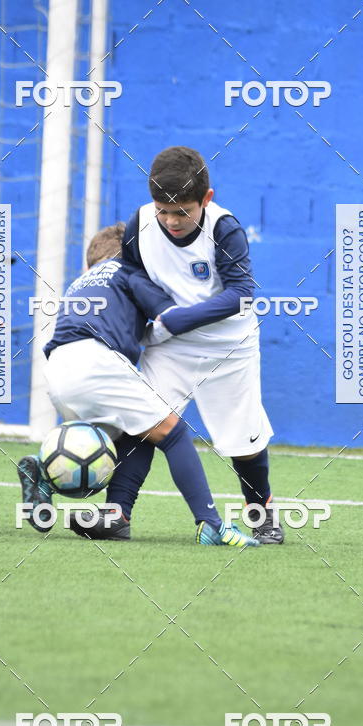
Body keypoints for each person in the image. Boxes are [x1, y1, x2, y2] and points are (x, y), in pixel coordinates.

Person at [84, 146, 284, 544]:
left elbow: (242, 293)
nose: (171, 221)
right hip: (169, 346)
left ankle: (260, 512)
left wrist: (180, 317)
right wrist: (160, 311)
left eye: (182, 212)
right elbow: (129, 273)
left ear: (206, 200)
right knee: (144, 423)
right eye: (163, 210)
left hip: (229, 347)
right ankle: (116, 513)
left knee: (243, 441)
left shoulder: (225, 228)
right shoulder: (139, 223)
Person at [17, 222, 258, 547]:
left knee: (131, 434)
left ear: (90, 263)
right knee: (173, 434)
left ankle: (49, 477)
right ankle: (210, 523)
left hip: (57, 370)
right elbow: (169, 318)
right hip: (96, 363)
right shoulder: (129, 271)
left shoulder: (79, 282)